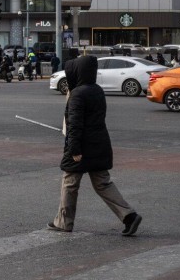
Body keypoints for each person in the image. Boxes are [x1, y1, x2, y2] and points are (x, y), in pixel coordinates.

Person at [48, 56, 142, 236]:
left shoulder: (77, 93)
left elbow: (75, 124)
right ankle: (129, 215)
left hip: (81, 146)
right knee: (103, 183)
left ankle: (64, 222)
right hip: (99, 144)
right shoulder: (97, 90)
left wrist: (74, 149)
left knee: (69, 183)